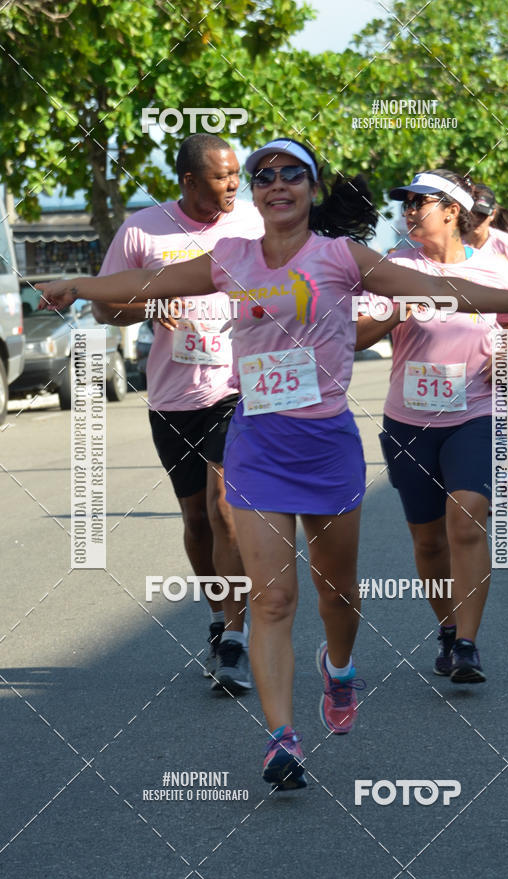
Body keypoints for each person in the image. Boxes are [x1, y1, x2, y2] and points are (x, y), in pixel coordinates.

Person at [37, 141, 508, 791]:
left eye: (293, 174)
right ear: (257, 194)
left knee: (336, 595)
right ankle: (282, 737)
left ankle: (339, 668)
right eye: (265, 176)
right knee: (275, 596)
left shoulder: (342, 257)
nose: (276, 183)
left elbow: (439, 287)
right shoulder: (231, 257)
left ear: (313, 190)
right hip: (257, 444)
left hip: (327, 447)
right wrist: (79, 285)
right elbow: (146, 284)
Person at [92, 133, 264, 692]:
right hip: (171, 397)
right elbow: (104, 306)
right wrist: (149, 304)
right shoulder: (143, 229)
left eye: (238, 174)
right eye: (222, 176)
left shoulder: (252, 226)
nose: (235, 184)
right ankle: (218, 622)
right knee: (195, 519)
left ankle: (238, 639)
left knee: (225, 507)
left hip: (237, 388)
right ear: (189, 182)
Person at [356, 169, 508, 684]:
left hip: (476, 413)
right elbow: (357, 337)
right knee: (429, 540)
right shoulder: (393, 268)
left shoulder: (494, 269)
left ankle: (470, 646)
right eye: (405, 204)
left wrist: (507, 356)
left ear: (452, 211)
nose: (408, 211)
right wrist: (400, 310)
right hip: (408, 421)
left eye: (419, 203)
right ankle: (450, 631)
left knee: (468, 516)